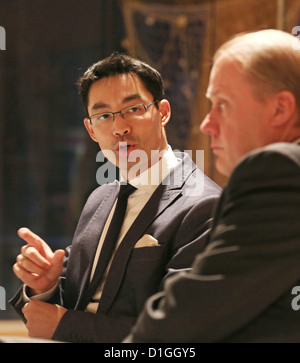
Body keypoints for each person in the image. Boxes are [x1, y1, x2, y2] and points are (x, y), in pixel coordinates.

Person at [9, 53, 221, 342]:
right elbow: (70, 305)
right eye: (104, 115)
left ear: (163, 112)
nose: (119, 127)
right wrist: (44, 286)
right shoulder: (100, 198)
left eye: (132, 108)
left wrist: (66, 324)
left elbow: (182, 331)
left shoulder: (203, 204)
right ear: (91, 130)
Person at [125, 29, 300, 343]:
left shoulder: (279, 169)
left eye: (222, 104)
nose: (207, 124)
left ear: (280, 108)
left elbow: (185, 319)